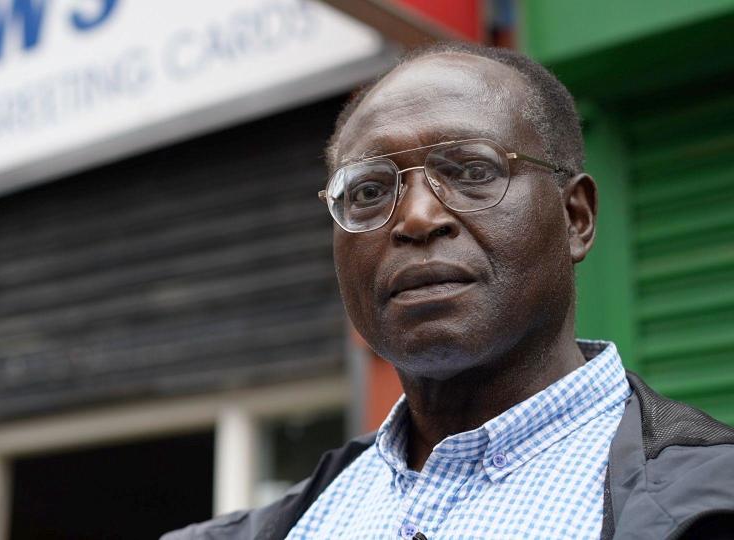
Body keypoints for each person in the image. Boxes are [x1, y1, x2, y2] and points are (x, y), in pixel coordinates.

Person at [163, 42, 734, 539]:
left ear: (575, 217)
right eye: (368, 191)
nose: (414, 218)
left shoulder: (714, 502)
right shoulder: (283, 527)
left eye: (472, 170)